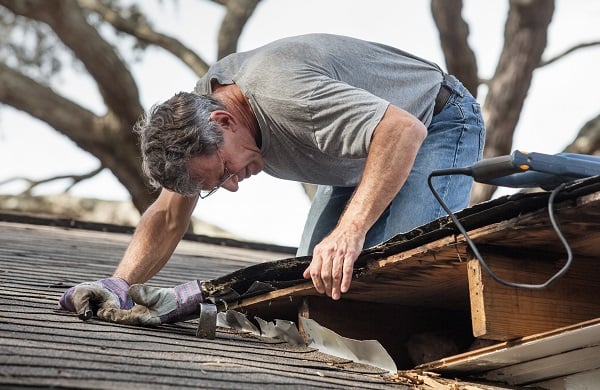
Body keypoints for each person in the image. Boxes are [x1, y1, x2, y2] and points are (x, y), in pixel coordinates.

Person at [58, 33, 485, 325]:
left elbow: (401, 131)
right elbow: (169, 216)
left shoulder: (287, 95)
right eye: (215, 185)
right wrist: (119, 284)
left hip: (436, 120)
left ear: (224, 121)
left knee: (404, 275)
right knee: (314, 291)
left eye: (225, 171)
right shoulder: (195, 122)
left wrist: (350, 231)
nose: (232, 185)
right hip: (357, 155)